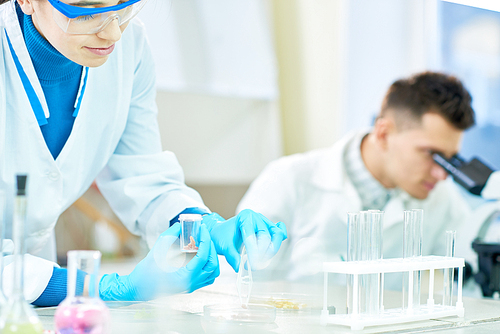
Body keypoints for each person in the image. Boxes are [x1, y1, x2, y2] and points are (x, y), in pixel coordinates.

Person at [0, 0, 287, 306]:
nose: (112, 33)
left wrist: (204, 227)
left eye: (123, 6)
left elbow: (143, 178)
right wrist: (106, 287)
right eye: (86, 11)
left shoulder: (130, 47)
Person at [237, 71, 497, 285]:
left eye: (450, 160)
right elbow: (238, 283)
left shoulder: (441, 198)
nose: (442, 174)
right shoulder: (289, 180)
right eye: (432, 154)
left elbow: (472, 265)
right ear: (384, 134)